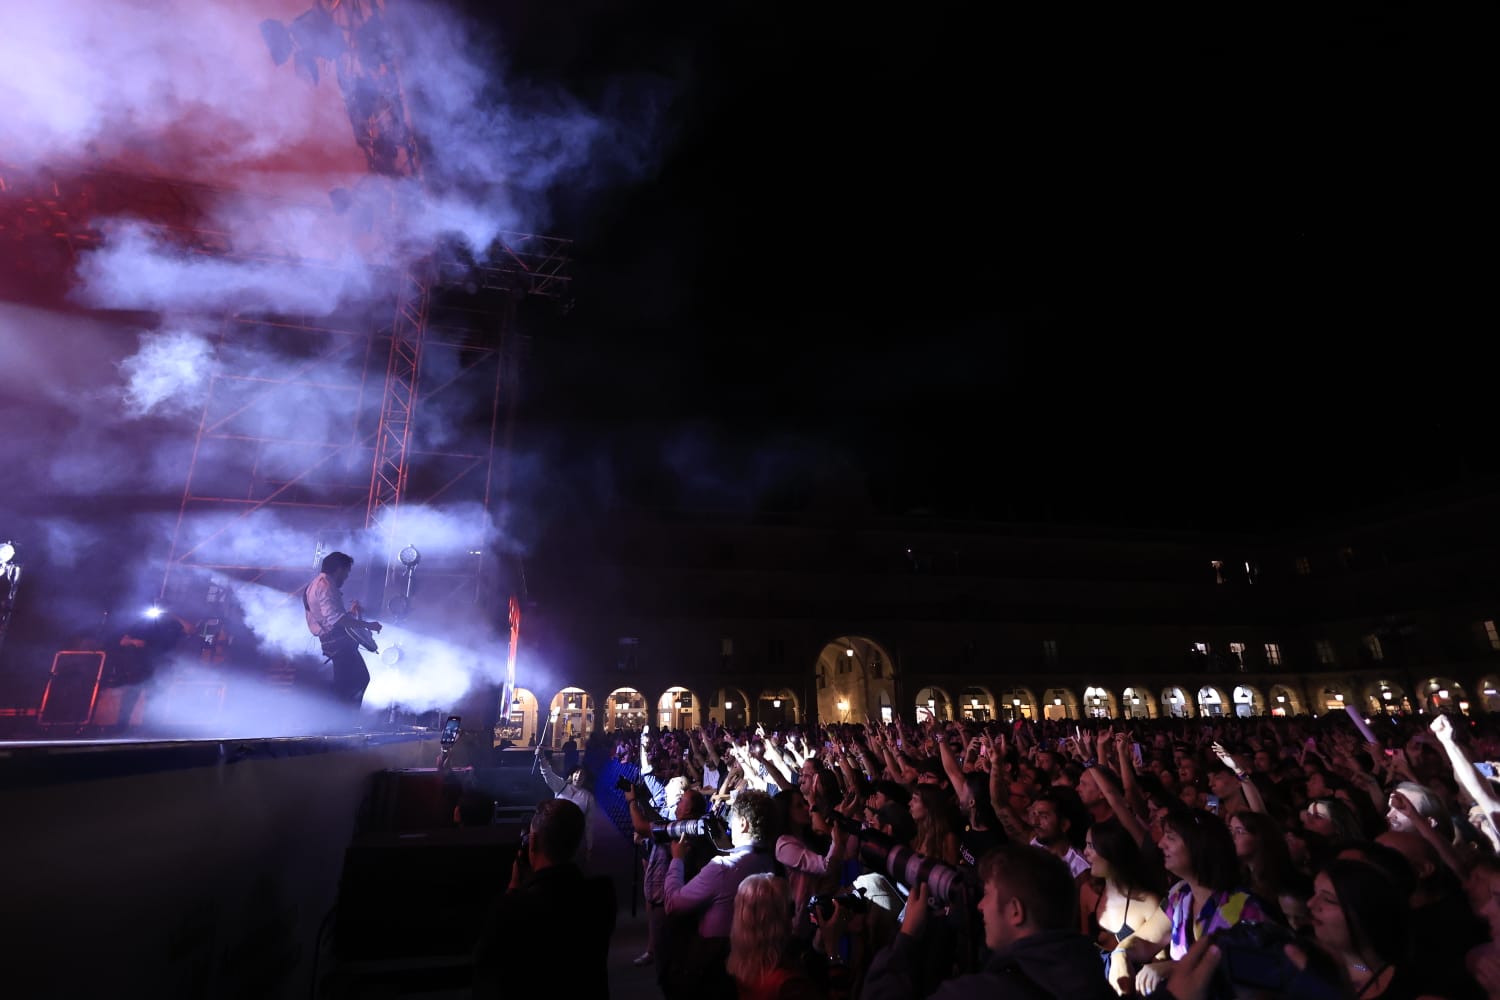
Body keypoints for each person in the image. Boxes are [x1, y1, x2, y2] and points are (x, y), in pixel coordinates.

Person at [863, 842, 1116, 999]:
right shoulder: (1093, 979)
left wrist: (906, 939)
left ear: (1015, 911)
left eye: (987, 895)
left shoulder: (983, 992)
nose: (980, 906)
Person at [471, 798, 616, 998]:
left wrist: (514, 888)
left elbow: (485, 968)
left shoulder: (511, 908)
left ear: (533, 842)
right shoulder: (602, 894)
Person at [663, 788, 779, 1000]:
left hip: (715, 967)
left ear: (743, 823)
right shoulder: (770, 862)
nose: (728, 825)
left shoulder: (721, 867)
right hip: (756, 964)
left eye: (732, 820)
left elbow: (673, 904)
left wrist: (676, 859)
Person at [302, 551, 381, 712]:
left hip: (334, 641)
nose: (345, 578)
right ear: (339, 569)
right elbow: (335, 620)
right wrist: (367, 625)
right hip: (338, 643)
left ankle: (339, 721)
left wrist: (351, 613)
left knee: (348, 683)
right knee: (357, 680)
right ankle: (342, 722)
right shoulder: (325, 584)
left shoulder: (315, 584)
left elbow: (331, 617)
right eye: (346, 573)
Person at [540, 763, 598, 870]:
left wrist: (589, 847)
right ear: (571, 774)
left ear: (586, 779)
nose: (579, 776)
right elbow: (548, 774)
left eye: (582, 774)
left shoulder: (588, 797)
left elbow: (589, 823)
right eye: (576, 772)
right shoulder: (561, 786)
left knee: (569, 867)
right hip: (554, 832)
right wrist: (542, 758)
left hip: (573, 838)